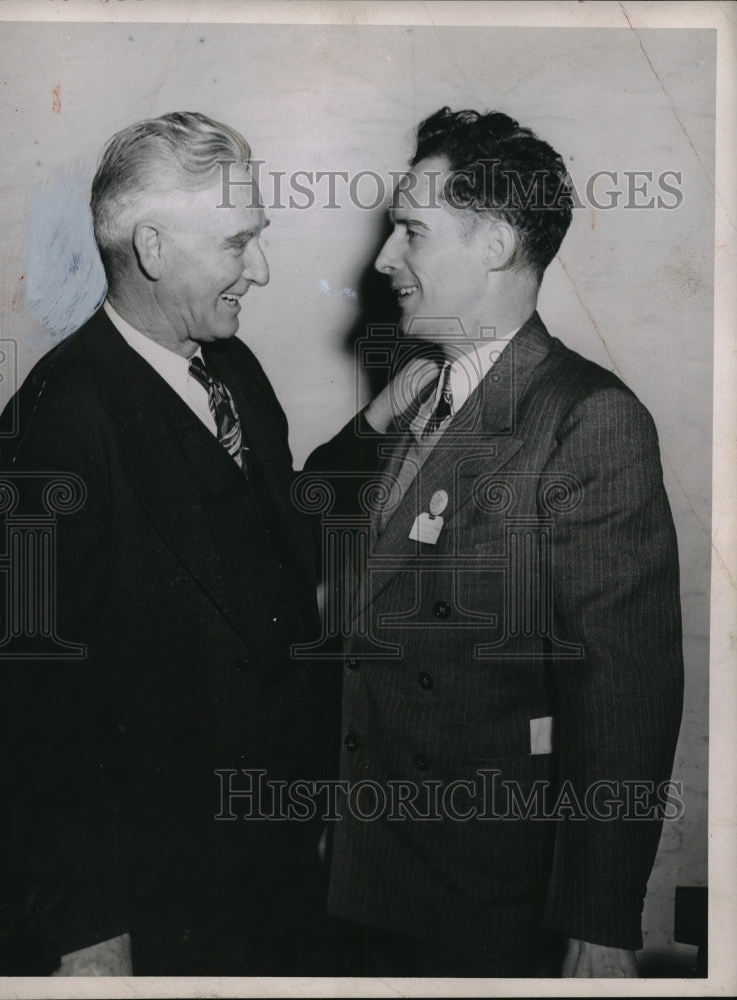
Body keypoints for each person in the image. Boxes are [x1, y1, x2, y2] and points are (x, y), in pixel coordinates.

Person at [305, 107, 684, 977]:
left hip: (482, 906)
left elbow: (623, 692)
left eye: (410, 231)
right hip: (367, 877)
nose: (382, 261)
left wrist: (598, 923)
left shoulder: (588, 419)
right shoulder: (427, 394)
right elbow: (312, 516)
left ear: (499, 242)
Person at [0, 112, 337, 977]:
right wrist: (86, 929)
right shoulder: (54, 429)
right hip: (152, 902)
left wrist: (377, 428)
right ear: (155, 247)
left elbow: (266, 541)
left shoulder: (230, 366)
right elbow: (19, 709)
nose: (264, 269)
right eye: (241, 242)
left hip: (269, 866)